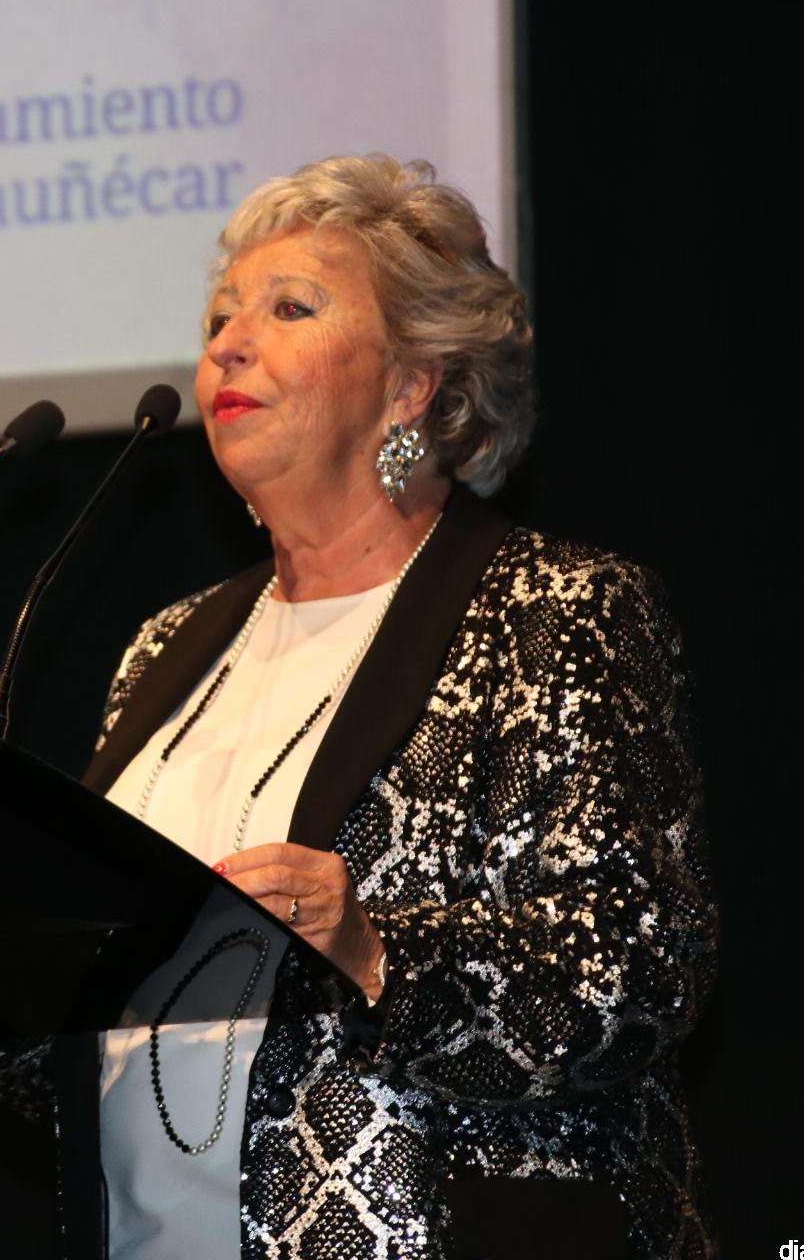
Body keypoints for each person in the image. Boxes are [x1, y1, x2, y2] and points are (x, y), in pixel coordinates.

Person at [80, 155, 716, 1258]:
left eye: (289, 308)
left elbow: (637, 964)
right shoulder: (164, 650)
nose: (227, 344)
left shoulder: (553, 612)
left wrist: (376, 949)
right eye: (221, 316)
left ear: (414, 382)